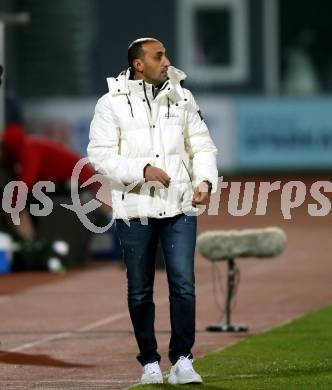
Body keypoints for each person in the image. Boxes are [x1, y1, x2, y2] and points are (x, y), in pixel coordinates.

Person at [88, 37, 218, 385]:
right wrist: (142, 169)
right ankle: (149, 363)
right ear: (138, 64)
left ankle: (183, 361)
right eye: (159, 55)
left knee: (184, 286)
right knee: (140, 290)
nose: (167, 60)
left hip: (180, 205)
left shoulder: (183, 96)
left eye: (165, 54)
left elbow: (202, 145)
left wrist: (204, 180)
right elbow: (100, 156)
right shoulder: (109, 104)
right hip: (136, 210)